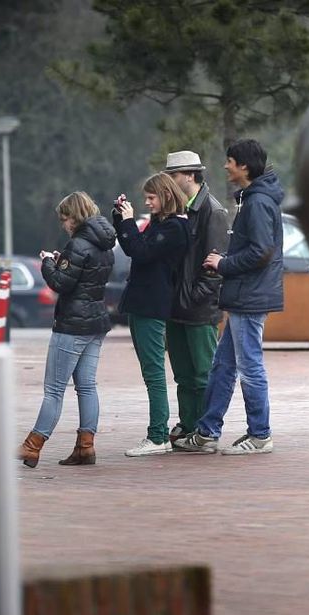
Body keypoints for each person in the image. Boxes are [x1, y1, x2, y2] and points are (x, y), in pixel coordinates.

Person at [174, 139, 284, 455]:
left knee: (249, 366)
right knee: (223, 366)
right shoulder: (252, 199)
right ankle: (207, 432)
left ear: (244, 167)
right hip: (243, 296)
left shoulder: (258, 202)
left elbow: (262, 251)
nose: (226, 167)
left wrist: (224, 263)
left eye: (230, 161)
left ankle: (260, 434)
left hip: (250, 297)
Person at [17, 192, 116, 468]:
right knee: (86, 386)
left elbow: (61, 284)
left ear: (76, 216)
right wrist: (64, 261)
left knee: (54, 390)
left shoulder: (79, 244)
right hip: (96, 322)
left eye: (65, 219)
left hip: (72, 325)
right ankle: (86, 447)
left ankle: (32, 445)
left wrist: (49, 262)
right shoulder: (105, 243)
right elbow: (86, 277)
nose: (63, 224)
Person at [115, 173, 190, 457]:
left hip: (151, 303)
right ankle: (158, 433)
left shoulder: (173, 228)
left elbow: (139, 251)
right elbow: (132, 245)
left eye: (151, 197)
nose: (148, 202)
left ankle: (158, 434)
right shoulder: (162, 224)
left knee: (154, 372)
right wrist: (119, 217)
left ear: (166, 195)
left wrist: (127, 222)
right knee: (152, 371)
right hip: (144, 302)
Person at [162, 151, 232, 442]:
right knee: (182, 373)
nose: (170, 182)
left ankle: (205, 429)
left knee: (203, 372)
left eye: (173, 176)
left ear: (189, 175)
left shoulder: (211, 211)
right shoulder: (177, 210)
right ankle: (188, 422)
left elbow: (215, 265)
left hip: (199, 307)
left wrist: (194, 296)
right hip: (175, 305)